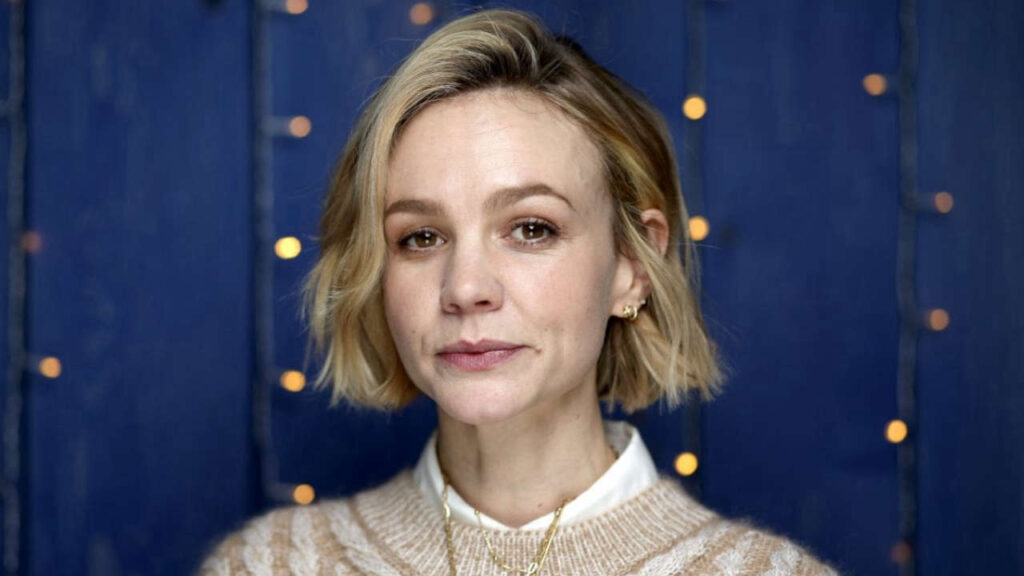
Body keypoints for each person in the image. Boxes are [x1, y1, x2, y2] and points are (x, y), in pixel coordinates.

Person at [198, 9, 838, 576]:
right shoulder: (271, 567)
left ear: (631, 264)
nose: (466, 288)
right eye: (421, 237)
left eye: (532, 228)